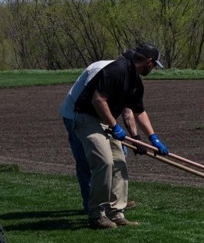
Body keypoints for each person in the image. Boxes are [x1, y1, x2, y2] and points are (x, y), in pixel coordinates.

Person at [73, 43, 169, 229]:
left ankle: (116, 213)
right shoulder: (118, 69)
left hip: (105, 122)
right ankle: (96, 215)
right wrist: (115, 126)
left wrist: (153, 138)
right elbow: (98, 100)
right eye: (155, 64)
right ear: (148, 61)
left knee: (119, 163)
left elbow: (139, 111)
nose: (155, 68)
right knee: (105, 162)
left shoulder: (135, 81)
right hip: (88, 119)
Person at [60, 55, 146, 214]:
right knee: (90, 160)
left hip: (103, 117)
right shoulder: (101, 70)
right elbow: (94, 100)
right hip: (76, 115)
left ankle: (113, 202)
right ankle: (91, 205)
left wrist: (136, 138)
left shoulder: (127, 75)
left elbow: (127, 111)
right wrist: (115, 126)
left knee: (119, 157)